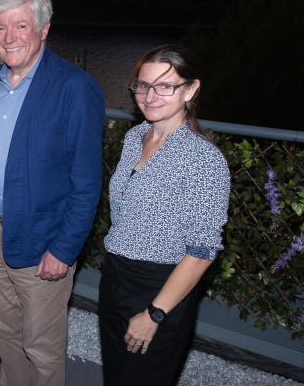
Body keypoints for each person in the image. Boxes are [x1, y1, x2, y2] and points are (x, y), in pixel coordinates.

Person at [0, 0, 104, 386]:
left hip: (43, 240)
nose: (9, 39)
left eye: (21, 26)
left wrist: (63, 250)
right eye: (0, 28)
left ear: (43, 28)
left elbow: (86, 183)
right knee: (5, 331)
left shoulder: (75, 89)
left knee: (41, 346)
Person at [99, 44, 230, 386]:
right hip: (115, 276)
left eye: (165, 86)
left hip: (159, 288)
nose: (150, 95)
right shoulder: (133, 137)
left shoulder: (203, 160)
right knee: (115, 376)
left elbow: (203, 251)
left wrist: (155, 314)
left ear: (190, 89)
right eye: (143, 85)